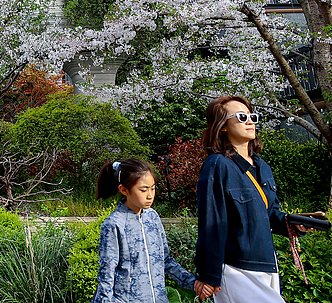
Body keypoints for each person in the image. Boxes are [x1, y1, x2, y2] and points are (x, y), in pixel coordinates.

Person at [196, 96, 303, 303]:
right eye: (241, 117)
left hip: (268, 264)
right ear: (222, 126)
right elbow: (211, 222)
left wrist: (295, 224)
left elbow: (270, 214)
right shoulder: (217, 164)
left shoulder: (262, 166)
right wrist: (208, 273)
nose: (250, 121)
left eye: (252, 116)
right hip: (236, 268)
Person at [92, 158, 206, 303]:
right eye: (143, 190)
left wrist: (195, 285)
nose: (150, 195)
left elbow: (166, 261)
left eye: (153, 188)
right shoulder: (114, 224)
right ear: (124, 190)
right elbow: (106, 275)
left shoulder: (153, 217)